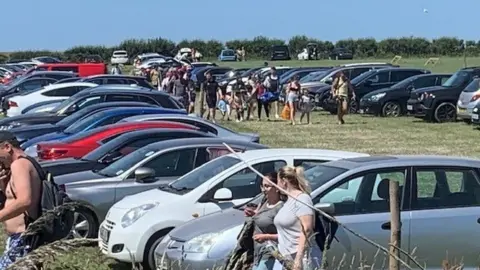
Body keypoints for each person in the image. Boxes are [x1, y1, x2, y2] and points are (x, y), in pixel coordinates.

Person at [0, 132, 42, 269]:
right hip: (20, 238)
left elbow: (25, 201)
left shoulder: (19, 165)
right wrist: (4, 182)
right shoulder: (26, 162)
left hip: (23, 237)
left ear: (7, 147)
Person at [273, 166, 321, 270]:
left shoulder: (302, 199)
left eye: (278, 181)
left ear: (284, 181)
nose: (277, 185)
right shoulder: (288, 201)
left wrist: (298, 259)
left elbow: (307, 229)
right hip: (287, 257)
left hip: (302, 258)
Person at [244, 172, 284, 270]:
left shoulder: (281, 208)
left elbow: (286, 235)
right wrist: (253, 214)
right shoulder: (264, 202)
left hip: (271, 252)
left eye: (267, 186)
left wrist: (266, 237)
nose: (263, 189)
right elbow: (261, 217)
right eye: (262, 186)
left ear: (277, 188)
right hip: (258, 251)